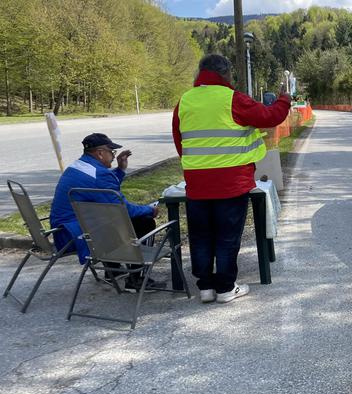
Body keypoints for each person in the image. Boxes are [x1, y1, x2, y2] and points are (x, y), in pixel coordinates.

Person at [172, 54, 290, 304]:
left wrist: (197, 166)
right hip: (231, 182)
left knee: (201, 235)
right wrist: (284, 99)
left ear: (200, 73)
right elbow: (270, 117)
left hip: (197, 182)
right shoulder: (233, 99)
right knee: (227, 235)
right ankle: (225, 287)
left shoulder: (184, 101)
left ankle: (205, 287)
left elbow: (180, 140)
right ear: (225, 74)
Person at [50, 133, 161, 290]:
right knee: (143, 221)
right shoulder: (100, 175)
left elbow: (101, 187)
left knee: (107, 216)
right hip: (80, 236)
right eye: (112, 152)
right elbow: (122, 209)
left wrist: (120, 169)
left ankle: (113, 270)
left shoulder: (78, 167)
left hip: (64, 230)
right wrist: (149, 209)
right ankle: (136, 277)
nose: (113, 156)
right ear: (100, 153)